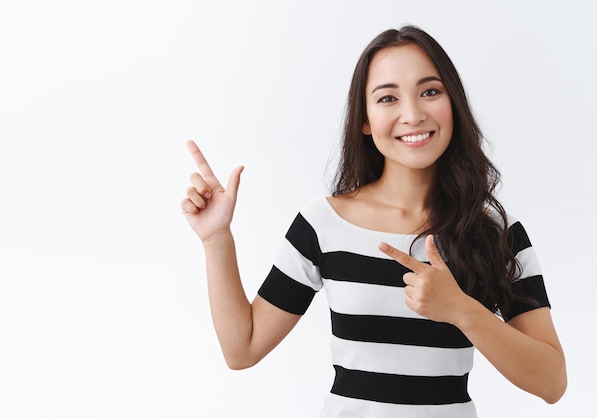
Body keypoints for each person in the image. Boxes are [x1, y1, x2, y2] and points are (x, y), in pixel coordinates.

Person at [181, 25, 567, 417]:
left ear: (454, 103)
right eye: (387, 98)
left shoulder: (495, 232)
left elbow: (551, 381)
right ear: (364, 119)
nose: (413, 114)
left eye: (430, 91)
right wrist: (216, 240)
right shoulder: (324, 223)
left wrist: (461, 310)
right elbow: (241, 348)